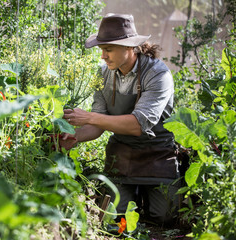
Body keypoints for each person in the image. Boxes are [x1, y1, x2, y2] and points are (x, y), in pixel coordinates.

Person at [60, 13, 180, 226]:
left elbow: (137, 125)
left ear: (129, 47)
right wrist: (75, 136)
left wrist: (88, 116)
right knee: (117, 218)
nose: (103, 57)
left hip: (158, 154)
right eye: (101, 50)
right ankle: (135, 196)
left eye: (108, 50)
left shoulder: (158, 74)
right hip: (122, 154)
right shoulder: (102, 74)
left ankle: (149, 194)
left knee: (165, 218)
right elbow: (97, 125)